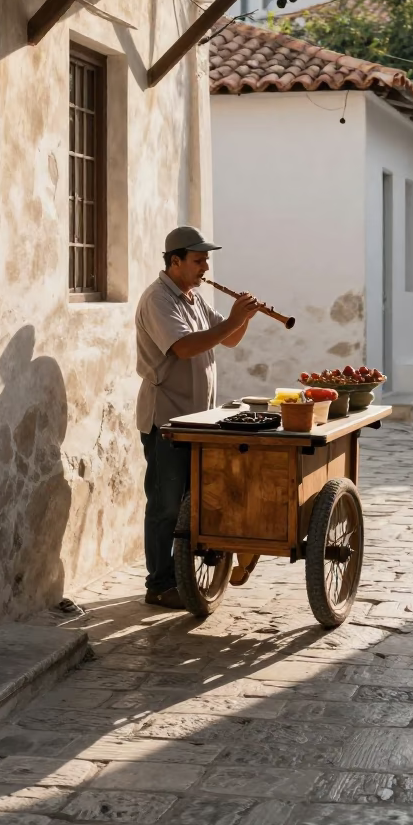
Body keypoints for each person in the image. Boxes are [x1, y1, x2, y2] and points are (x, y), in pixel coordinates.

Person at [135, 226, 259, 609]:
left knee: (195, 499)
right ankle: (159, 583)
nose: (205, 266)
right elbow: (186, 347)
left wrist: (246, 316)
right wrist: (231, 319)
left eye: (206, 260)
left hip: (199, 419)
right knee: (165, 505)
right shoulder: (159, 299)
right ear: (175, 261)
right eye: (198, 260)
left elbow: (229, 338)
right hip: (168, 420)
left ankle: (184, 575)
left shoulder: (193, 297)